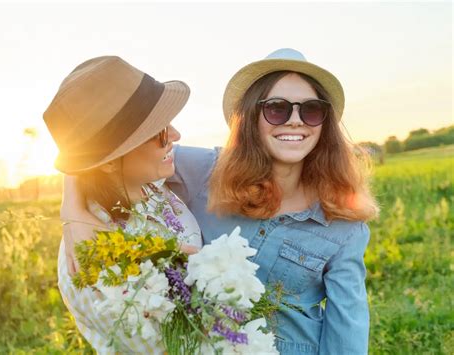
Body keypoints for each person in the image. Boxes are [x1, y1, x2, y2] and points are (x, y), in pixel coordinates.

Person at [62, 49, 379, 354]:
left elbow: (347, 329)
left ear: (324, 124)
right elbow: (106, 153)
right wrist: (73, 211)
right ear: (251, 117)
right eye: (277, 108)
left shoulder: (345, 226)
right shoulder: (205, 171)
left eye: (311, 110)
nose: (295, 121)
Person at [44, 55, 202, 354]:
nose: (176, 136)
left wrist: (72, 206)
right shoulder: (91, 262)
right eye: (158, 131)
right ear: (108, 161)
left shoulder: (152, 183)